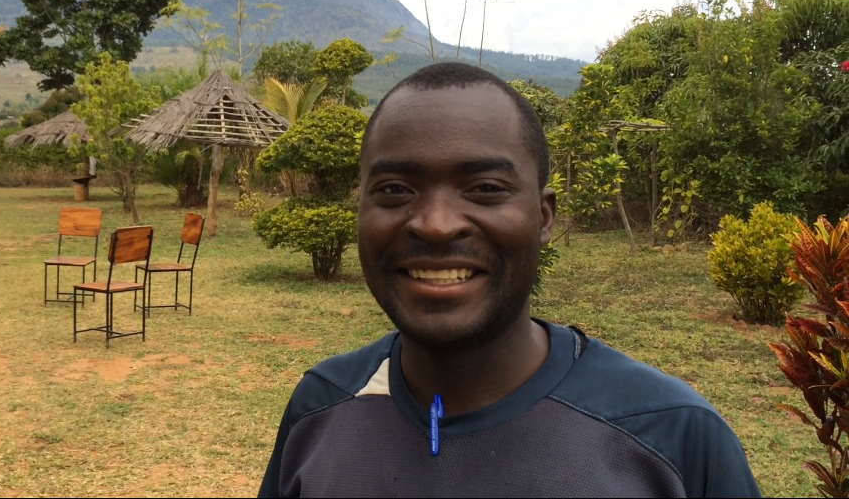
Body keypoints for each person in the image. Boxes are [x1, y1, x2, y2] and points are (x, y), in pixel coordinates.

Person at [257, 62, 761, 498]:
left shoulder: (673, 436)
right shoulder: (320, 407)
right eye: (394, 189)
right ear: (360, 209)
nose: (436, 224)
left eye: (485, 189)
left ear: (543, 218)